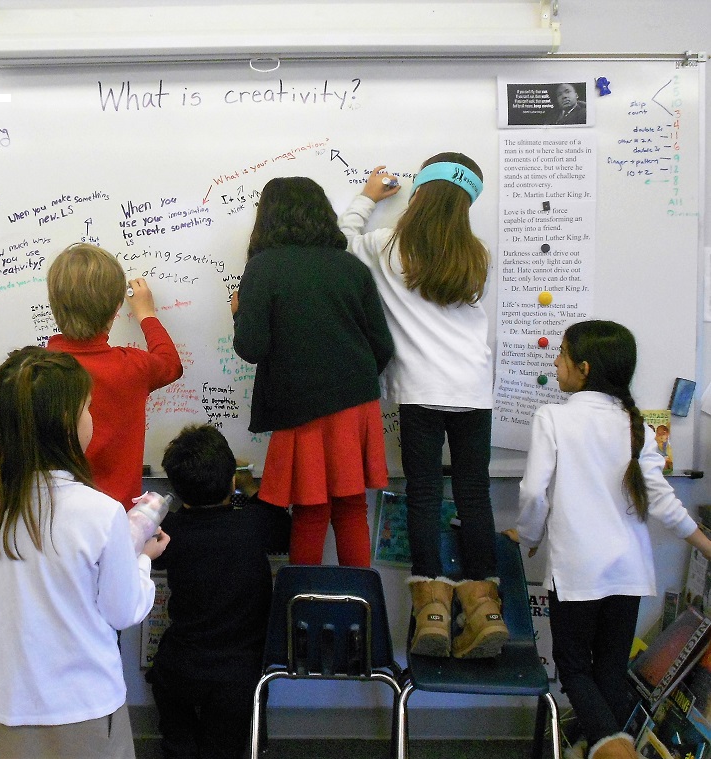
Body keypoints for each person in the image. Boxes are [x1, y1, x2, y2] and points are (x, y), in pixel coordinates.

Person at [505, 320, 711, 759]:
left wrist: (528, 534)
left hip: (577, 574)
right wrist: (707, 544)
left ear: (583, 368)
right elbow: (663, 501)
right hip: (628, 574)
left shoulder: (554, 417)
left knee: (575, 670)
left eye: (561, 354)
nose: (554, 362)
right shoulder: (632, 425)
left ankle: (618, 755)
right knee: (609, 677)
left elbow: (532, 492)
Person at [339, 153, 509, 658]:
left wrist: (368, 197)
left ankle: (432, 611)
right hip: (474, 390)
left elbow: (342, 239)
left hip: (419, 391)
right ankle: (484, 608)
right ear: (466, 205)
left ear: (418, 195)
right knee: (474, 494)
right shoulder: (475, 254)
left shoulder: (388, 246)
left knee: (424, 494)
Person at [0, 347, 169, 759]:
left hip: (9, 700)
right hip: (84, 704)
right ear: (64, 422)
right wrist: (142, 560)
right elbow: (123, 610)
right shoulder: (99, 511)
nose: (92, 418)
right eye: (87, 408)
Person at [232, 176, 394, 567]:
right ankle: (362, 609)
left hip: (300, 409)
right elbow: (383, 347)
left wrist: (238, 315)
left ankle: (299, 611)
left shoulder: (263, 268)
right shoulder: (351, 267)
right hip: (356, 405)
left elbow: (251, 349)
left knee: (310, 509)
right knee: (352, 508)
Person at [148, 424, 290, 759]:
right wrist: (248, 485)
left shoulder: (171, 530)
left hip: (179, 667)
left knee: (177, 744)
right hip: (238, 675)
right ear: (231, 480)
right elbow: (285, 533)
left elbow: (156, 551)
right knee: (222, 749)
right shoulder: (255, 523)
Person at [46, 242, 183, 507]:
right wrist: (146, 314)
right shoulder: (132, 367)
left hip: (55, 520)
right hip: (121, 518)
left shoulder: (36, 371)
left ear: (54, 303)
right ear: (116, 307)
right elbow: (170, 364)